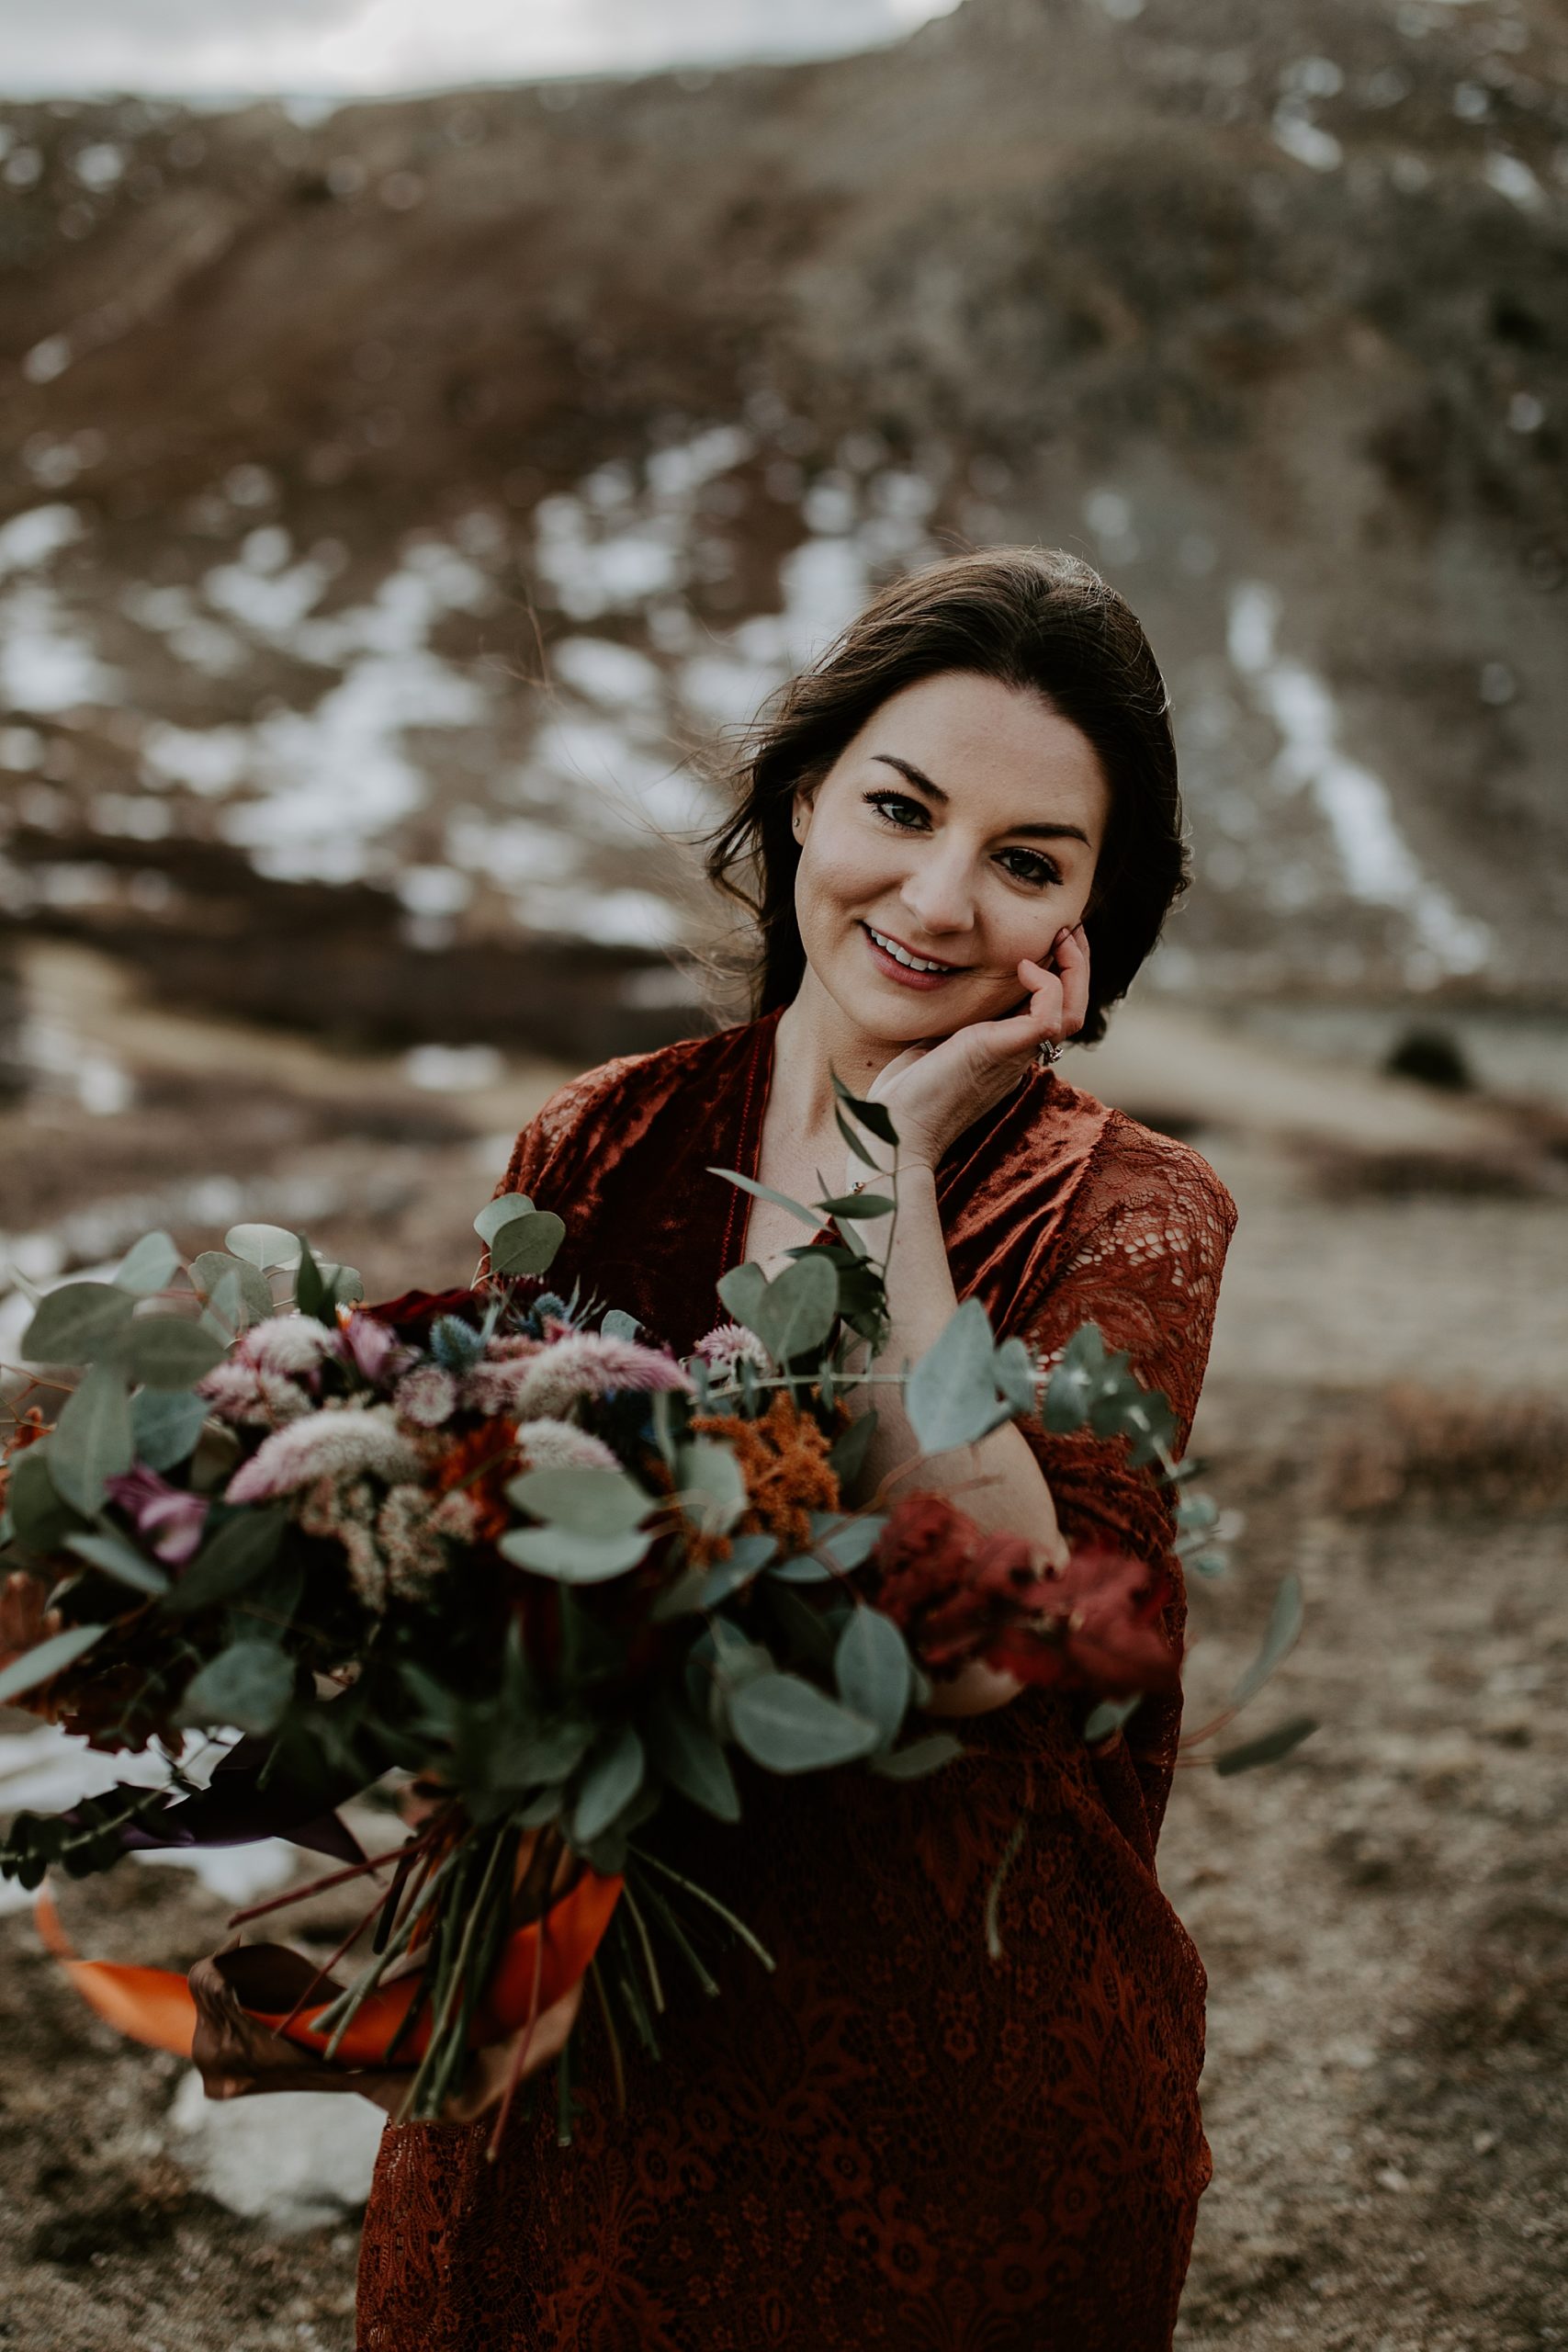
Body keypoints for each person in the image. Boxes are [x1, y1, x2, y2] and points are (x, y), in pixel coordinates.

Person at [206, 547, 1236, 2349]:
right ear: (800, 800)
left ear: (1092, 922)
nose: (934, 895)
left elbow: (1002, 1637)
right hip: (569, 2096)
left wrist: (883, 1169)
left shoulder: (1127, 1212)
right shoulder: (594, 1148)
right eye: (898, 809)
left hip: (949, 2121)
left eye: (1024, 859)